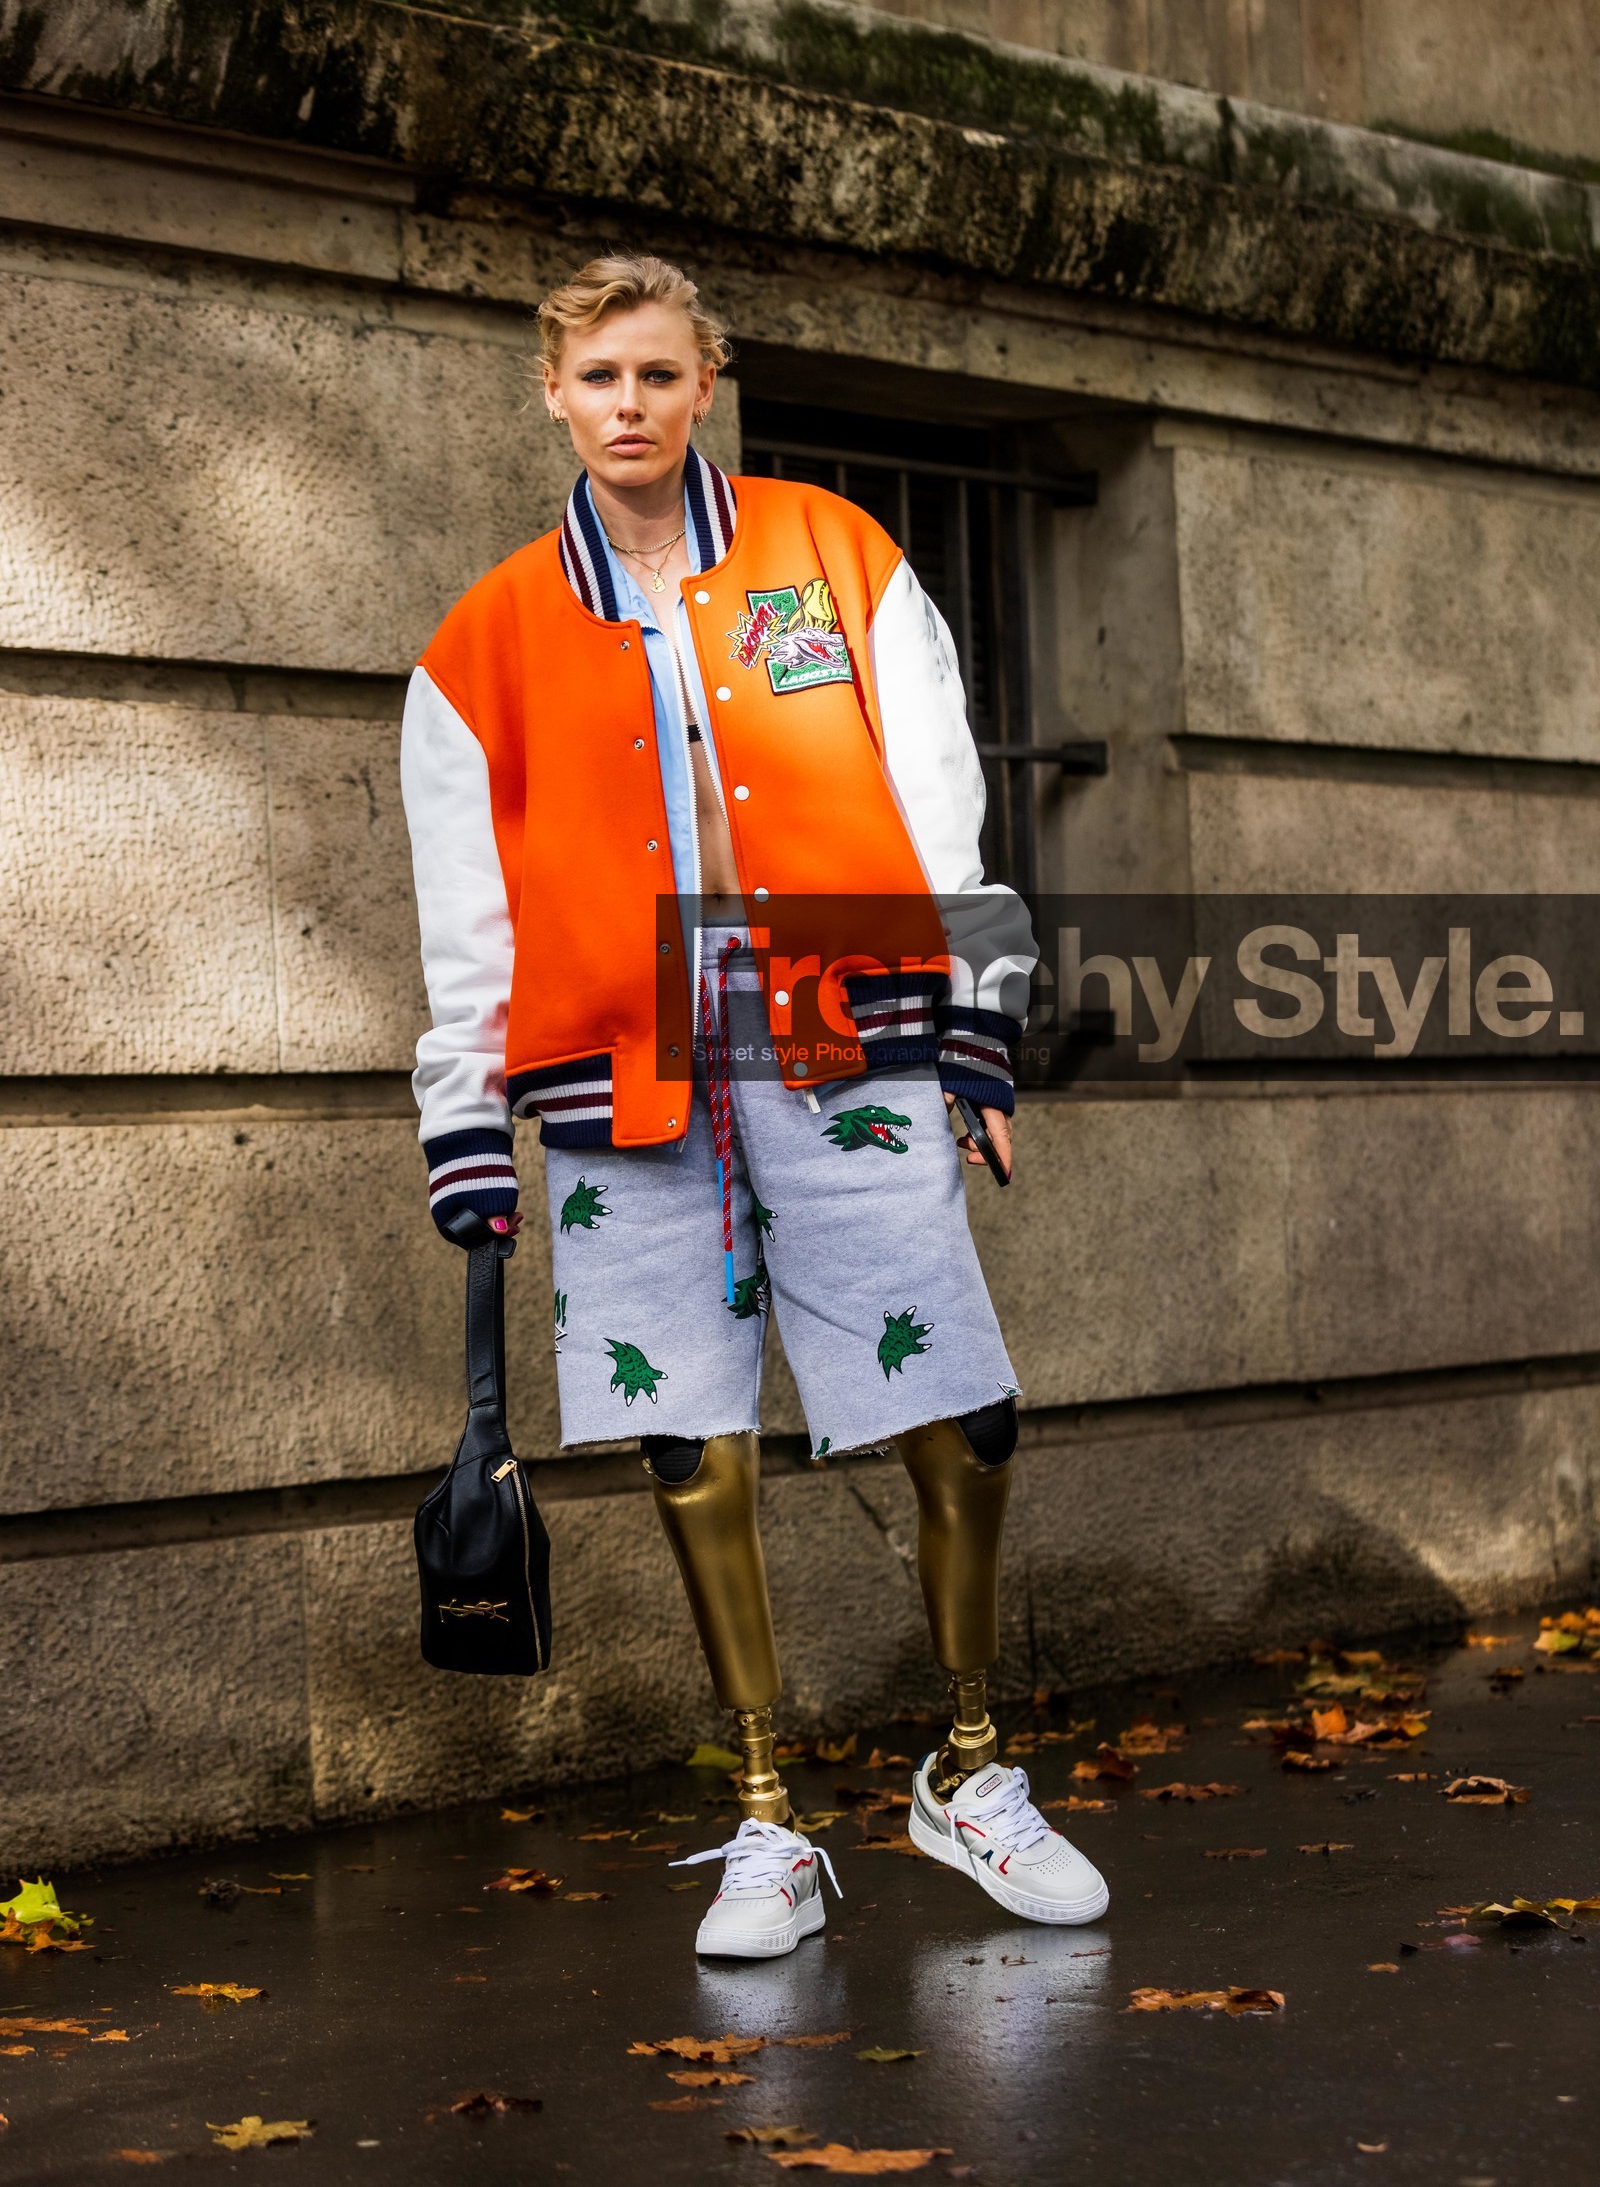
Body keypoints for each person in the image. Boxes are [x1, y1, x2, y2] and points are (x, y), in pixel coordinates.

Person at [400, 252, 1109, 1960]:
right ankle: (769, 1819)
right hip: (617, 1058)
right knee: (689, 1442)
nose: (627, 405)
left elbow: (938, 796)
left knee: (962, 1409)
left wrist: (978, 1023)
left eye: (657, 373)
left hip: (843, 1026)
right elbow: (465, 910)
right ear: (552, 395)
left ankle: (970, 1769)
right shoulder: (484, 640)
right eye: (597, 378)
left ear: (703, 382)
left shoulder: (832, 551)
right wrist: (464, 1120)